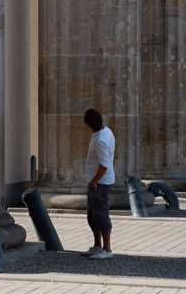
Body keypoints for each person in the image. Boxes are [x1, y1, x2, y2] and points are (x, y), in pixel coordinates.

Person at [82, 108, 115, 260]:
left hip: (100, 182)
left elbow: (104, 165)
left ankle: (107, 249)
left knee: (101, 215)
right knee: (92, 216)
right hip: (96, 181)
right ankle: (97, 245)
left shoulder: (101, 139)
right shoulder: (106, 131)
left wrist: (95, 181)